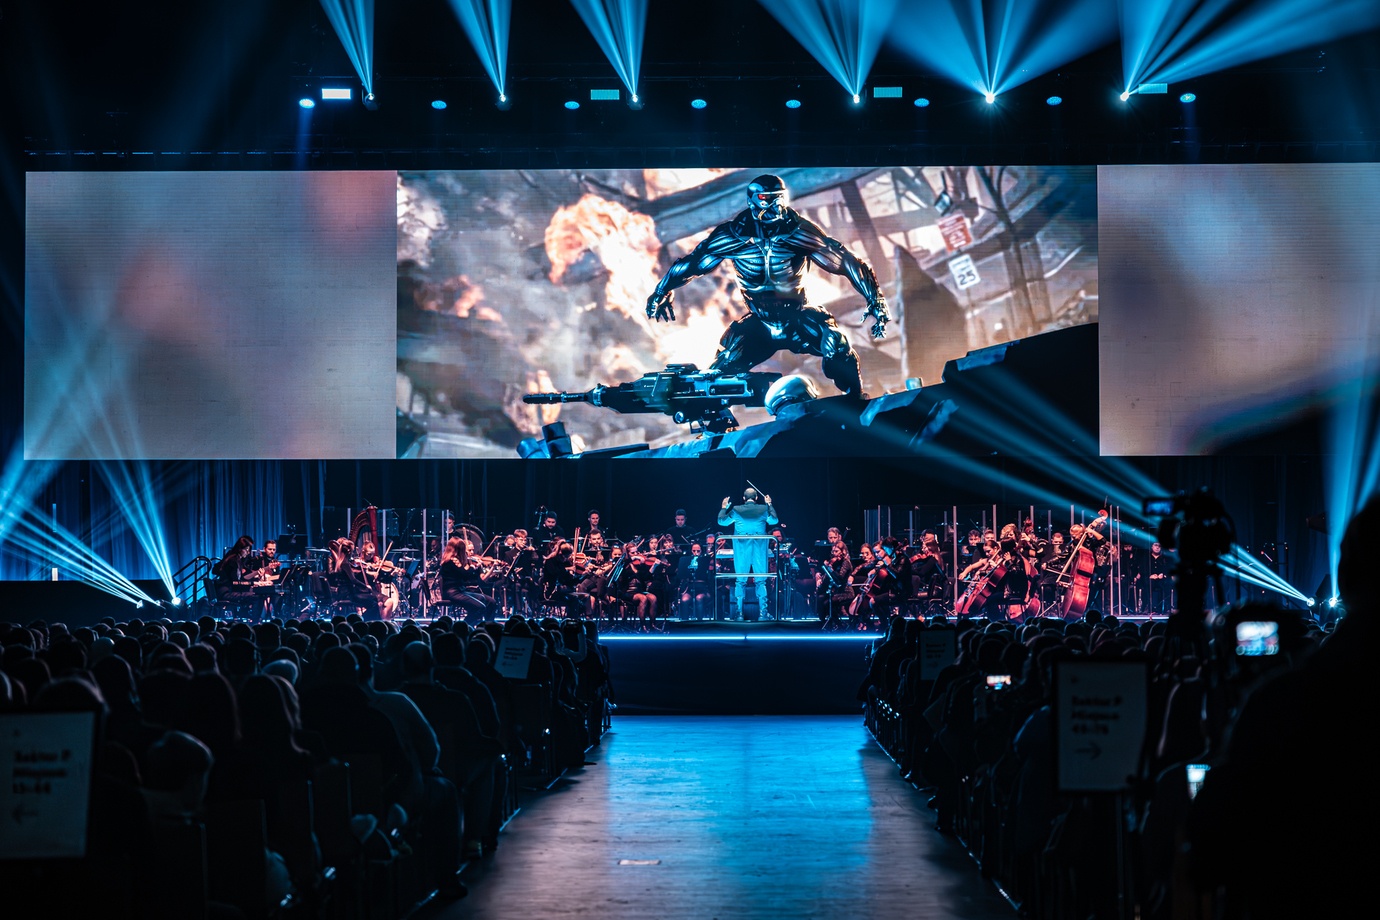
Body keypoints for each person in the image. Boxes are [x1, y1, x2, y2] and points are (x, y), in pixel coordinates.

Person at [644, 174, 890, 396]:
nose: (776, 205)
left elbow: (846, 262)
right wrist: (662, 290)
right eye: (767, 198)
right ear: (752, 201)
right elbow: (693, 263)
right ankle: (712, 423)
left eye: (780, 197)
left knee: (836, 344)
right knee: (718, 375)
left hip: (798, 319)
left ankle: (856, 400)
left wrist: (875, 298)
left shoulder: (799, 232)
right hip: (759, 325)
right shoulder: (731, 237)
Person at [717, 488, 780, 619]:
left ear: (744, 498)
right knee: (761, 580)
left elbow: (721, 521)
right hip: (759, 549)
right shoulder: (763, 509)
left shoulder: (736, 509)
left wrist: (723, 508)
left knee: (740, 580)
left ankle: (739, 613)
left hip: (742, 549)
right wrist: (769, 504)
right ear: (756, 498)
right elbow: (774, 520)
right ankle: (763, 613)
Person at [439, 537, 498, 621]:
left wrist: (475, 567)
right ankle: (464, 626)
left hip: (460, 590)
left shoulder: (456, 560)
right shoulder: (451, 561)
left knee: (490, 602)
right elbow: (464, 574)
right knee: (480, 607)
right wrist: (473, 566)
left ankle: (488, 624)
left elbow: (465, 575)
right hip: (453, 593)